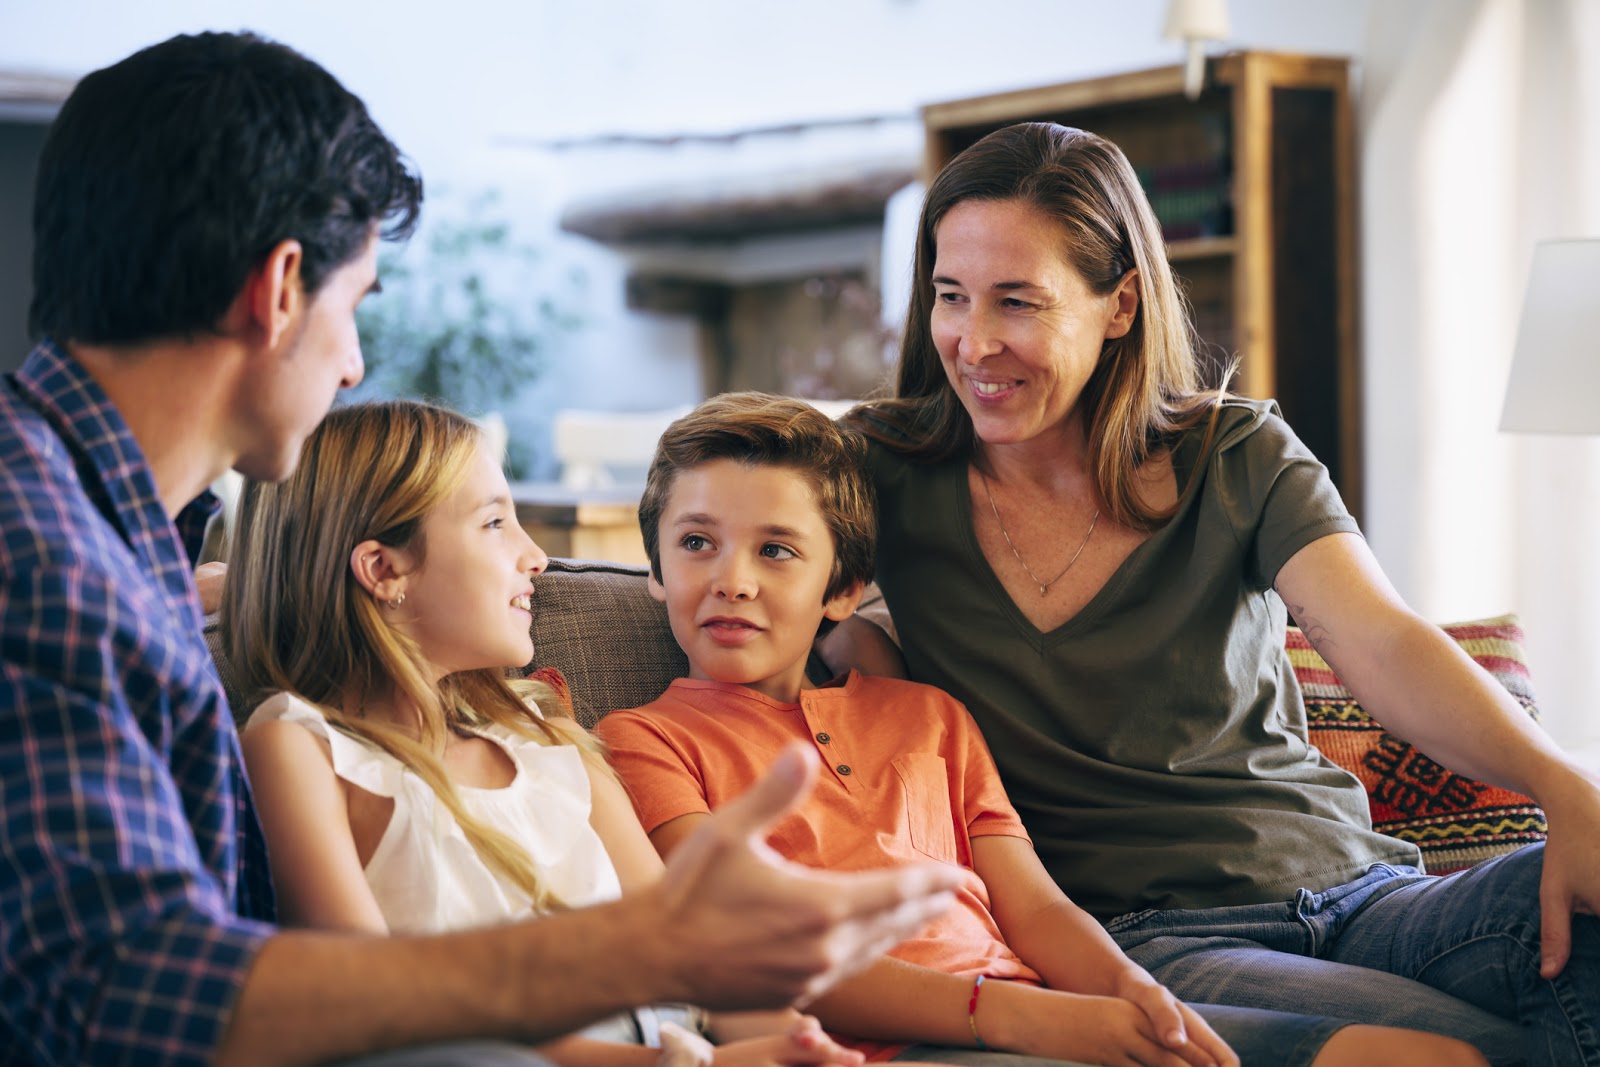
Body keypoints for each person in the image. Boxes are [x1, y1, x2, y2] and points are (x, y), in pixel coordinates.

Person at [0, 32, 961, 1067]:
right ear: (280, 288)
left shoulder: (101, 544)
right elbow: (126, 993)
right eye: (356, 302)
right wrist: (636, 949)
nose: (354, 362)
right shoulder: (48, 563)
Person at [816, 120, 1600, 1066]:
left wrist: (1564, 786)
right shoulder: (882, 473)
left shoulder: (1237, 453)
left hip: (1370, 892)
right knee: (1468, 1050)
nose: (974, 342)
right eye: (950, 296)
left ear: (1119, 305)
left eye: (1017, 302)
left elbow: (1382, 643)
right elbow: (754, 559)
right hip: (1151, 937)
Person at [595, 392, 1486, 1067]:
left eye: (776, 550)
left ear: (841, 590)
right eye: (697, 543)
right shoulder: (644, 742)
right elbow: (752, 959)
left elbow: (1037, 905)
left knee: (1430, 1055)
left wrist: (1133, 995)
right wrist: (1030, 1014)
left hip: (1040, 1010)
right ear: (655, 569)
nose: (732, 580)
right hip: (913, 1042)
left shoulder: (928, 715)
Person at [226, 398, 870, 1067]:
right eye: (495, 522)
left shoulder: (545, 738)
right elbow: (375, 1013)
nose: (535, 556)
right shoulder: (300, 751)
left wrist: (803, 1043)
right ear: (384, 569)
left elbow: (686, 947)